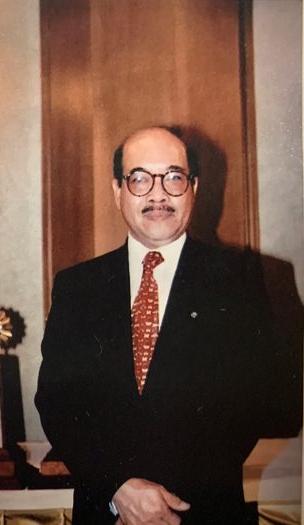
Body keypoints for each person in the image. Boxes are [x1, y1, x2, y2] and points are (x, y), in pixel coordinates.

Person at [35, 127, 302, 524]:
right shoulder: (78, 286)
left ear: (193, 188)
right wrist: (119, 486)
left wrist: (157, 501)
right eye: (140, 178)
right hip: (107, 512)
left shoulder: (241, 281)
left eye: (174, 177)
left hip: (198, 513)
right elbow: (57, 405)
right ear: (117, 191)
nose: (158, 194)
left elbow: (263, 404)